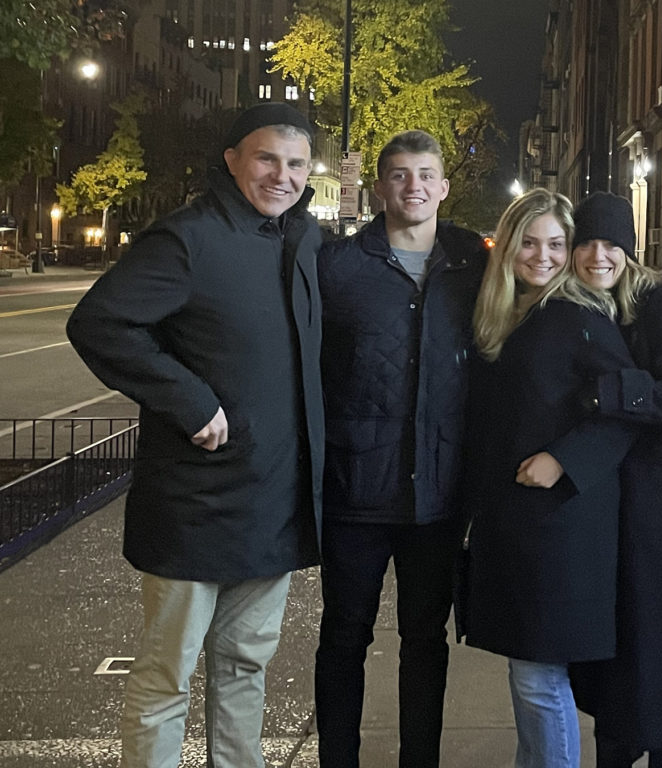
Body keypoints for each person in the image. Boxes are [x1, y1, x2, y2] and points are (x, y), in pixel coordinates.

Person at [65, 102, 324, 768]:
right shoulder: (186, 238)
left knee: (244, 669)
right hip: (191, 506)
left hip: (270, 503)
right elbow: (101, 324)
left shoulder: (303, 241)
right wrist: (191, 401)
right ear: (233, 158)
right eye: (267, 158)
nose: (282, 176)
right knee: (164, 677)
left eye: (296, 164)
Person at [315, 129, 489, 768]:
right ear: (380, 185)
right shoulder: (338, 265)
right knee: (343, 638)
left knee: (426, 642)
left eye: (425, 174)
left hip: (438, 497)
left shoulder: (474, 266)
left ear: (444, 186)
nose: (412, 186)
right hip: (356, 490)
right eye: (399, 174)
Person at [461, 188, 637, 768]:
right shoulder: (513, 313)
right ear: (508, 247)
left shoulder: (578, 315)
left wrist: (564, 459)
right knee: (528, 672)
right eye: (529, 243)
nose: (542, 256)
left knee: (539, 676)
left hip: (561, 525)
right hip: (520, 523)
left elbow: (629, 410)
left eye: (556, 244)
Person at [565, 192, 662, 768]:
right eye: (587, 244)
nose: (599, 256)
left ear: (631, 250)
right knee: (616, 644)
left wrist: (615, 393)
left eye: (612, 245)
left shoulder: (658, 305)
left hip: (660, 505)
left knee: (660, 639)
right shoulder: (575, 307)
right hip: (604, 503)